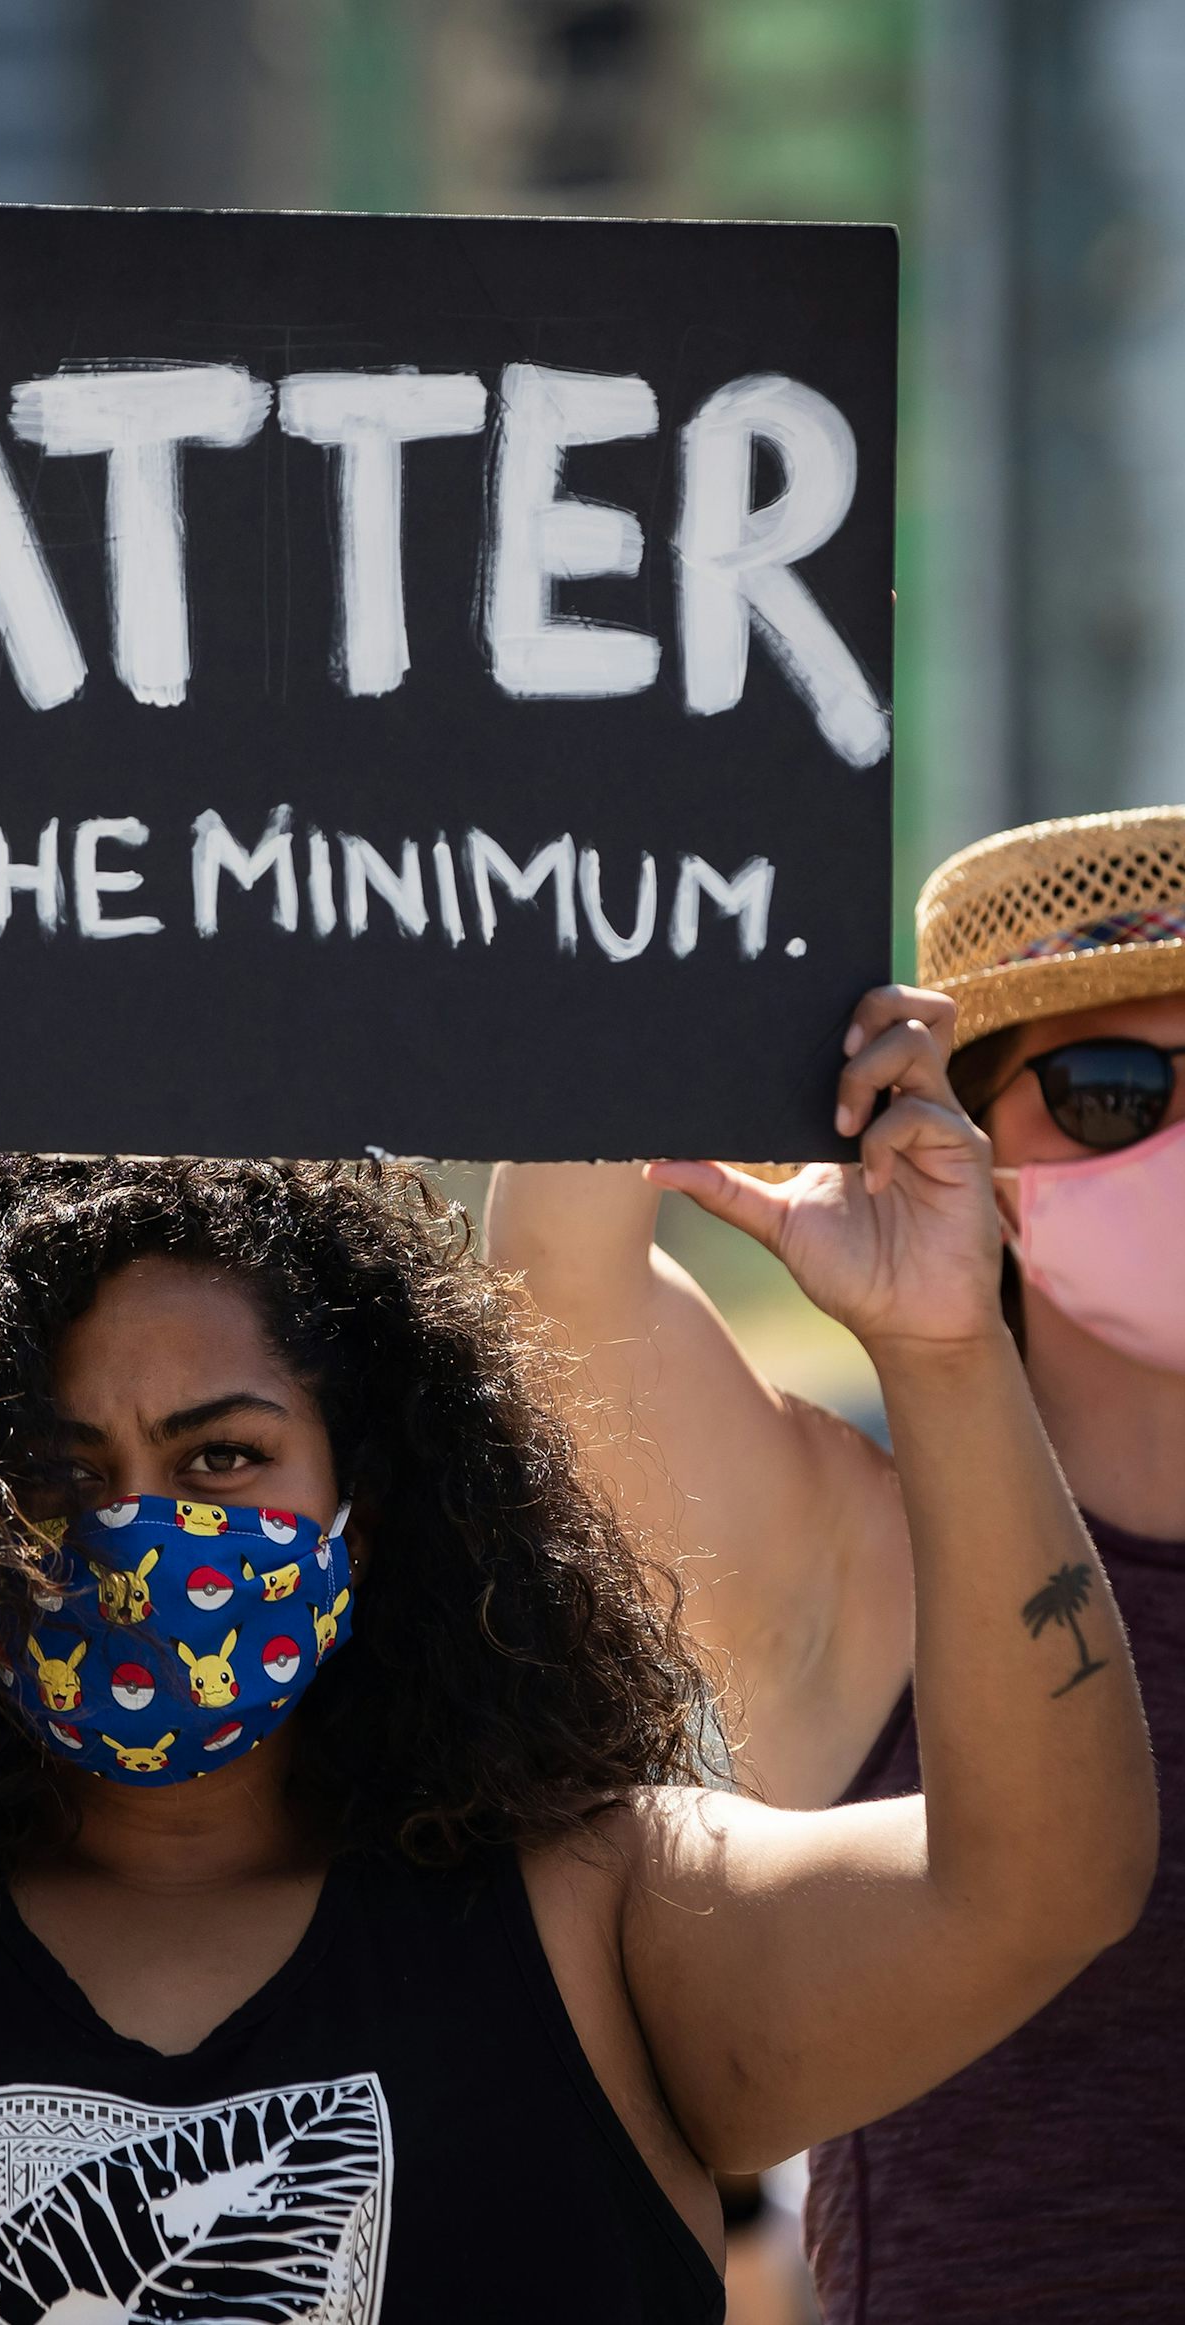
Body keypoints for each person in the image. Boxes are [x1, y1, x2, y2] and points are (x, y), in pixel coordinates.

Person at [0, 979, 1156, 2323]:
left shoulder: (606, 1920)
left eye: (225, 1458)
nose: (144, 1527)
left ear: (382, 1487)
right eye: (55, 1472)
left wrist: (943, 1351)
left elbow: (1038, 1881)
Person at [485, 803, 1185, 2320]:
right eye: (1121, 1090)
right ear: (961, 1144)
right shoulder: (861, 1556)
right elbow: (555, 1298)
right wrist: (670, 904)